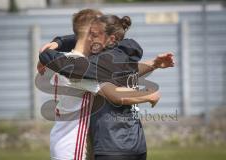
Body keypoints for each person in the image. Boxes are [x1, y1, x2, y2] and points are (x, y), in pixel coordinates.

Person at [38, 9, 162, 160]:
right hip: (73, 148)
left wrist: (57, 43)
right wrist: (148, 95)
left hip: (67, 142)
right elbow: (116, 94)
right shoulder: (80, 69)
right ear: (92, 33)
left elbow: (117, 70)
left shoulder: (69, 60)